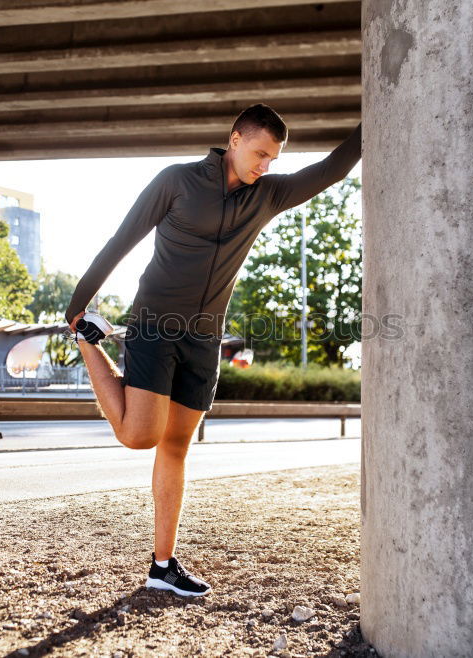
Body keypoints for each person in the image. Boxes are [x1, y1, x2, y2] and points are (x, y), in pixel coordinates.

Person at [65, 104, 361, 596]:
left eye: (273, 157)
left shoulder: (268, 195)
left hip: (205, 339)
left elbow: (331, 170)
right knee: (140, 435)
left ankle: (162, 566)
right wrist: (79, 303)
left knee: (177, 446)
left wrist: (375, 113)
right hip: (155, 323)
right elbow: (123, 238)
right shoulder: (177, 181)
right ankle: (87, 342)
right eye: (260, 152)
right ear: (235, 138)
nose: (265, 164)